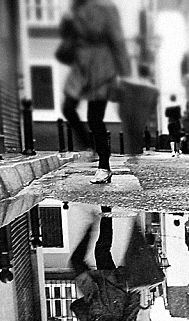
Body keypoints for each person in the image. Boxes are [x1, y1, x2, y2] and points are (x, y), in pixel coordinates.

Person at [59, 0, 130, 184]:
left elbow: (118, 40)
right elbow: (68, 38)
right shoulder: (75, 9)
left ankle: (104, 166)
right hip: (80, 65)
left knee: (94, 117)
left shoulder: (107, 8)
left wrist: (125, 74)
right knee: (68, 107)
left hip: (102, 65)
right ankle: (88, 146)